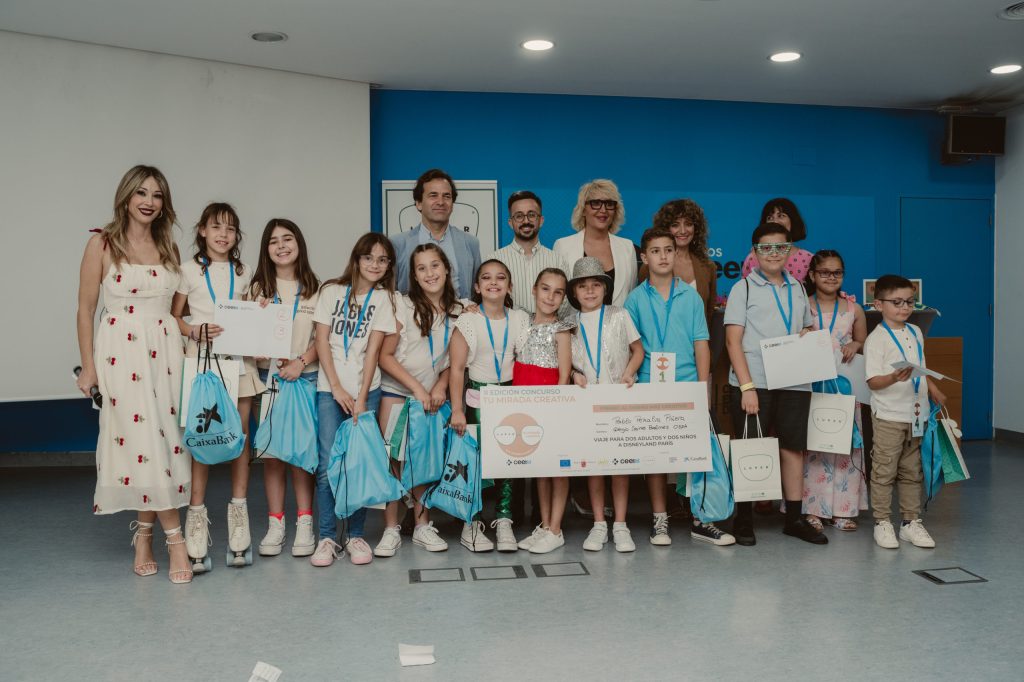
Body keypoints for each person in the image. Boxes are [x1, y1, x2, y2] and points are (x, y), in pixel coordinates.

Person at [76, 165, 193, 584]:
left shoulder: (168, 246)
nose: (149, 201)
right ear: (126, 197)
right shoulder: (102, 244)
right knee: (143, 441)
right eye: (141, 193)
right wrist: (88, 367)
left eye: (157, 195)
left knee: (163, 445)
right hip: (121, 354)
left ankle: (143, 536)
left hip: (166, 353)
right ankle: (175, 541)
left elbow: (178, 311)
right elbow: (85, 309)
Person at [172, 202, 264, 570]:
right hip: (202, 363)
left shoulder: (245, 272)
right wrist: (193, 330)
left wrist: (260, 310)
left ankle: (239, 516)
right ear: (202, 231)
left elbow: (252, 315)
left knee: (239, 437)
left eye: (230, 228)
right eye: (216, 227)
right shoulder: (187, 270)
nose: (223, 235)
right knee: (203, 437)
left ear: (237, 235)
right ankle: (196, 518)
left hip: (238, 362)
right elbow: (174, 316)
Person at [625, 228, 731, 546]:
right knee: (656, 456)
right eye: (655, 251)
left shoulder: (690, 297)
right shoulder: (634, 299)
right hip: (649, 385)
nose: (663, 256)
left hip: (686, 384)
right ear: (644, 257)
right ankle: (660, 519)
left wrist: (702, 385)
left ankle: (701, 518)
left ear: (675, 253)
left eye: (668, 250)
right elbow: (631, 347)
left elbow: (701, 343)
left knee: (695, 453)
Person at [724, 222, 825, 546]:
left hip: (793, 380)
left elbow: (806, 327)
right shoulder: (744, 289)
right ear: (754, 252)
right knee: (751, 450)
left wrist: (808, 336)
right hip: (755, 383)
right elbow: (732, 342)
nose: (773, 253)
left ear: (790, 250)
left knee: (792, 448)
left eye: (780, 247)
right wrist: (747, 387)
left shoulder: (797, 287)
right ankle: (743, 519)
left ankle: (793, 518)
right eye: (765, 248)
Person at [310, 233, 398, 567]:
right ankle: (327, 537)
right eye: (369, 257)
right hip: (329, 390)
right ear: (357, 259)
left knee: (358, 463)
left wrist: (361, 399)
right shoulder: (331, 292)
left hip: (367, 392)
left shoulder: (383, 299)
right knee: (326, 465)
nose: (375, 264)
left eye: (382, 259)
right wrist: (336, 387)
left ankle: (356, 535)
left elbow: (373, 352)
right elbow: (321, 342)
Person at [374, 244, 464, 557]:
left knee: (421, 462)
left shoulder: (460, 310)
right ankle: (390, 529)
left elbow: (455, 361)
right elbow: (385, 356)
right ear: (413, 275)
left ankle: (423, 526)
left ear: (447, 269)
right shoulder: (403, 305)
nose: (430, 273)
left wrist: (440, 385)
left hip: (429, 399)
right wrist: (418, 389)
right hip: (397, 394)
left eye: (435, 265)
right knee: (393, 462)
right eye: (421, 268)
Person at [247, 219, 320, 558]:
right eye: (273, 241)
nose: (281, 246)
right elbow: (244, 334)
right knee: (273, 456)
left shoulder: (316, 288)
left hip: (305, 380)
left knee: (301, 455)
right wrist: (255, 349)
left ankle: (305, 522)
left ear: (299, 243)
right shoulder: (256, 289)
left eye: (287, 239)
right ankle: (276, 524)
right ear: (266, 249)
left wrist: (301, 362)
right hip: (269, 383)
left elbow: (324, 338)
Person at [448, 260, 531, 551]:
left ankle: (504, 519)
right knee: (475, 461)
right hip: (478, 396)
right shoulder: (468, 321)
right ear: (477, 286)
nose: (493, 282)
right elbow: (456, 369)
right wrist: (457, 409)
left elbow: (525, 359)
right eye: (486, 277)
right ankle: (471, 522)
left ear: (510, 286)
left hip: (510, 395)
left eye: (500, 278)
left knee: (510, 457)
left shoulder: (520, 318)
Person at [567, 257, 644, 552]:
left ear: (605, 288)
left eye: (596, 285)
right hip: (587, 403)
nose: (590, 291)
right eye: (583, 286)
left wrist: (629, 372)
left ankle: (621, 524)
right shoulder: (569, 323)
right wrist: (573, 374)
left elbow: (638, 350)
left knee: (619, 464)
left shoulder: (619, 315)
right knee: (595, 465)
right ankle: (599, 523)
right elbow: (566, 362)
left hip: (617, 400)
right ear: (574, 292)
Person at [864, 274, 946, 549]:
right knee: (884, 470)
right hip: (889, 415)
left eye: (910, 302)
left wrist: (932, 388)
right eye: (897, 302)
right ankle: (882, 522)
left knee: (913, 471)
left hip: (916, 414)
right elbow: (873, 382)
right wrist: (892, 378)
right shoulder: (876, 339)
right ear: (879, 304)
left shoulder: (916, 332)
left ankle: (910, 522)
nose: (904, 307)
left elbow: (920, 367)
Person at [802, 250, 868, 532]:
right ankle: (812, 509)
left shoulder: (854, 309)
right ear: (812, 275)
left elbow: (863, 342)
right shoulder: (804, 306)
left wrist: (856, 344)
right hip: (814, 388)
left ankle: (843, 510)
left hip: (845, 390)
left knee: (846, 447)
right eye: (824, 272)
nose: (831, 277)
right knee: (814, 447)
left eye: (837, 272)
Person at [511, 269, 575, 554]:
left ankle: (556, 529)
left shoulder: (561, 329)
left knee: (557, 467)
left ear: (563, 298)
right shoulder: (521, 321)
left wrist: (556, 410)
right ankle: (545, 525)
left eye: (558, 292)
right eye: (546, 289)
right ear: (534, 289)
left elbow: (564, 375)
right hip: (525, 401)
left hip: (550, 403)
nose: (551, 297)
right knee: (540, 468)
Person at [392, 168, 482, 299]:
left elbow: (477, 292)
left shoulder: (470, 243)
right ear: (419, 203)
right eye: (433, 195)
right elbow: (390, 294)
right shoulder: (397, 244)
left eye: (447, 196)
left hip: (460, 312)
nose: (441, 202)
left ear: (452, 204)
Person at [553, 179, 639, 307]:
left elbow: (631, 295)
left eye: (609, 204)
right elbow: (559, 295)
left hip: (619, 320)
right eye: (596, 203)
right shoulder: (563, 246)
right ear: (583, 210)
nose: (603, 210)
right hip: (575, 320)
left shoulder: (628, 247)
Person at [488, 190, 568, 314]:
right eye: (519, 216)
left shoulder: (558, 260)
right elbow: (488, 300)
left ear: (541, 220)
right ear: (510, 223)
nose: (526, 221)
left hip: (549, 326)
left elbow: (566, 303)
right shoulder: (495, 259)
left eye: (531, 215)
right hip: (507, 326)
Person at [640, 199, 717, 324]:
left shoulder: (708, 267)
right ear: (665, 228)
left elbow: (709, 313)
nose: (683, 230)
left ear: (696, 228)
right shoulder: (649, 266)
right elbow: (642, 311)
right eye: (675, 225)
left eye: (688, 224)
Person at [741, 198, 815, 281]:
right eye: (770, 217)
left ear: (793, 220)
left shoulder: (808, 259)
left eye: (781, 216)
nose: (775, 221)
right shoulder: (753, 258)